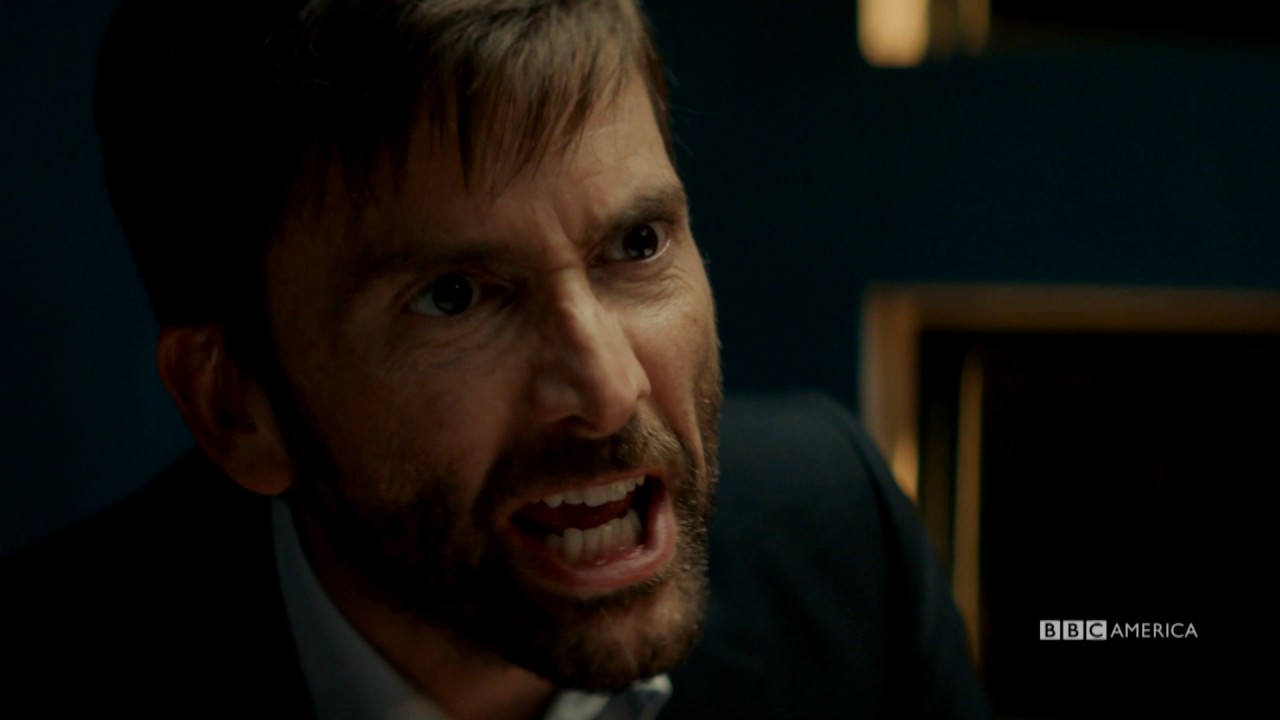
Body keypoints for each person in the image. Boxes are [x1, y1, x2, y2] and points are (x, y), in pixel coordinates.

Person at [1, 1, 987, 718]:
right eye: (454, 297)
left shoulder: (837, 549)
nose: (608, 390)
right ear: (235, 407)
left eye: (636, 245)